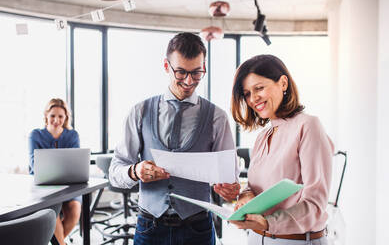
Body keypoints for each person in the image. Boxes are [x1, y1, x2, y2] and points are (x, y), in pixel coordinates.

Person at [109, 32, 240, 245]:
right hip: (150, 227)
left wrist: (230, 188)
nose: (189, 81)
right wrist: (135, 171)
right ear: (165, 66)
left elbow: (230, 178)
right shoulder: (140, 112)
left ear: (204, 67)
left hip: (198, 228)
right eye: (180, 72)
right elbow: (115, 172)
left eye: (197, 73)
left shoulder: (217, 117)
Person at [229, 55, 333, 245]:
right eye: (247, 93)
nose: (253, 99)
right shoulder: (263, 137)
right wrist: (245, 197)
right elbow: (254, 188)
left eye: (259, 88)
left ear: (283, 83)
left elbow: (315, 204)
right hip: (256, 238)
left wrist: (268, 223)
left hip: (296, 241)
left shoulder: (308, 126)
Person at [28, 98, 81, 245]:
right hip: (44, 187)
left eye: (60, 116)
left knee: (75, 209)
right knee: (53, 213)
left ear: (66, 118)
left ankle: (58, 242)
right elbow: (34, 165)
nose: (56, 120)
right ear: (46, 115)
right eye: (52, 116)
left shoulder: (72, 135)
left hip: (69, 185)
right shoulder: (36, 135)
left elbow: (76, 163)